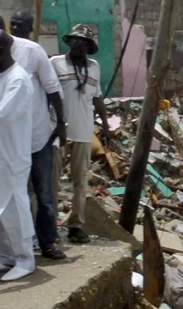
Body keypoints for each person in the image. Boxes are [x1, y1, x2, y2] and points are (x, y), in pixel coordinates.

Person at [0, 12, 66, 260]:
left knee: (43, 194)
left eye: (22, 25)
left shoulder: (31, 52)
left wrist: (61, 124)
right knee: (13, 197)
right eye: (15, 25)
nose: (18, 28)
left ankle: (46, 243)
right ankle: (16, 251)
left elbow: (53, 89)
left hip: (36, 135)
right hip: (7, 143)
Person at [50, 24, 109, 243]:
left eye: (84, 42)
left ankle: (75, 225)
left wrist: (105, 124)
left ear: (89, 46)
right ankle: (50, 225)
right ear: (69, 42)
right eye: (75, 40)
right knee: (53, 181)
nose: (79, 44)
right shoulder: (55, 63)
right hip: (58, 131)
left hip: (84, 132)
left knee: (80, 183)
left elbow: (97, 98)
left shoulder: (94, 67)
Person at [0, 28, 36, 281]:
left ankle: (25, 260)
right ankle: (6, 257)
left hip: (12, 155)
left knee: (15, 210)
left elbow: (1, 115)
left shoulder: (18, 79)